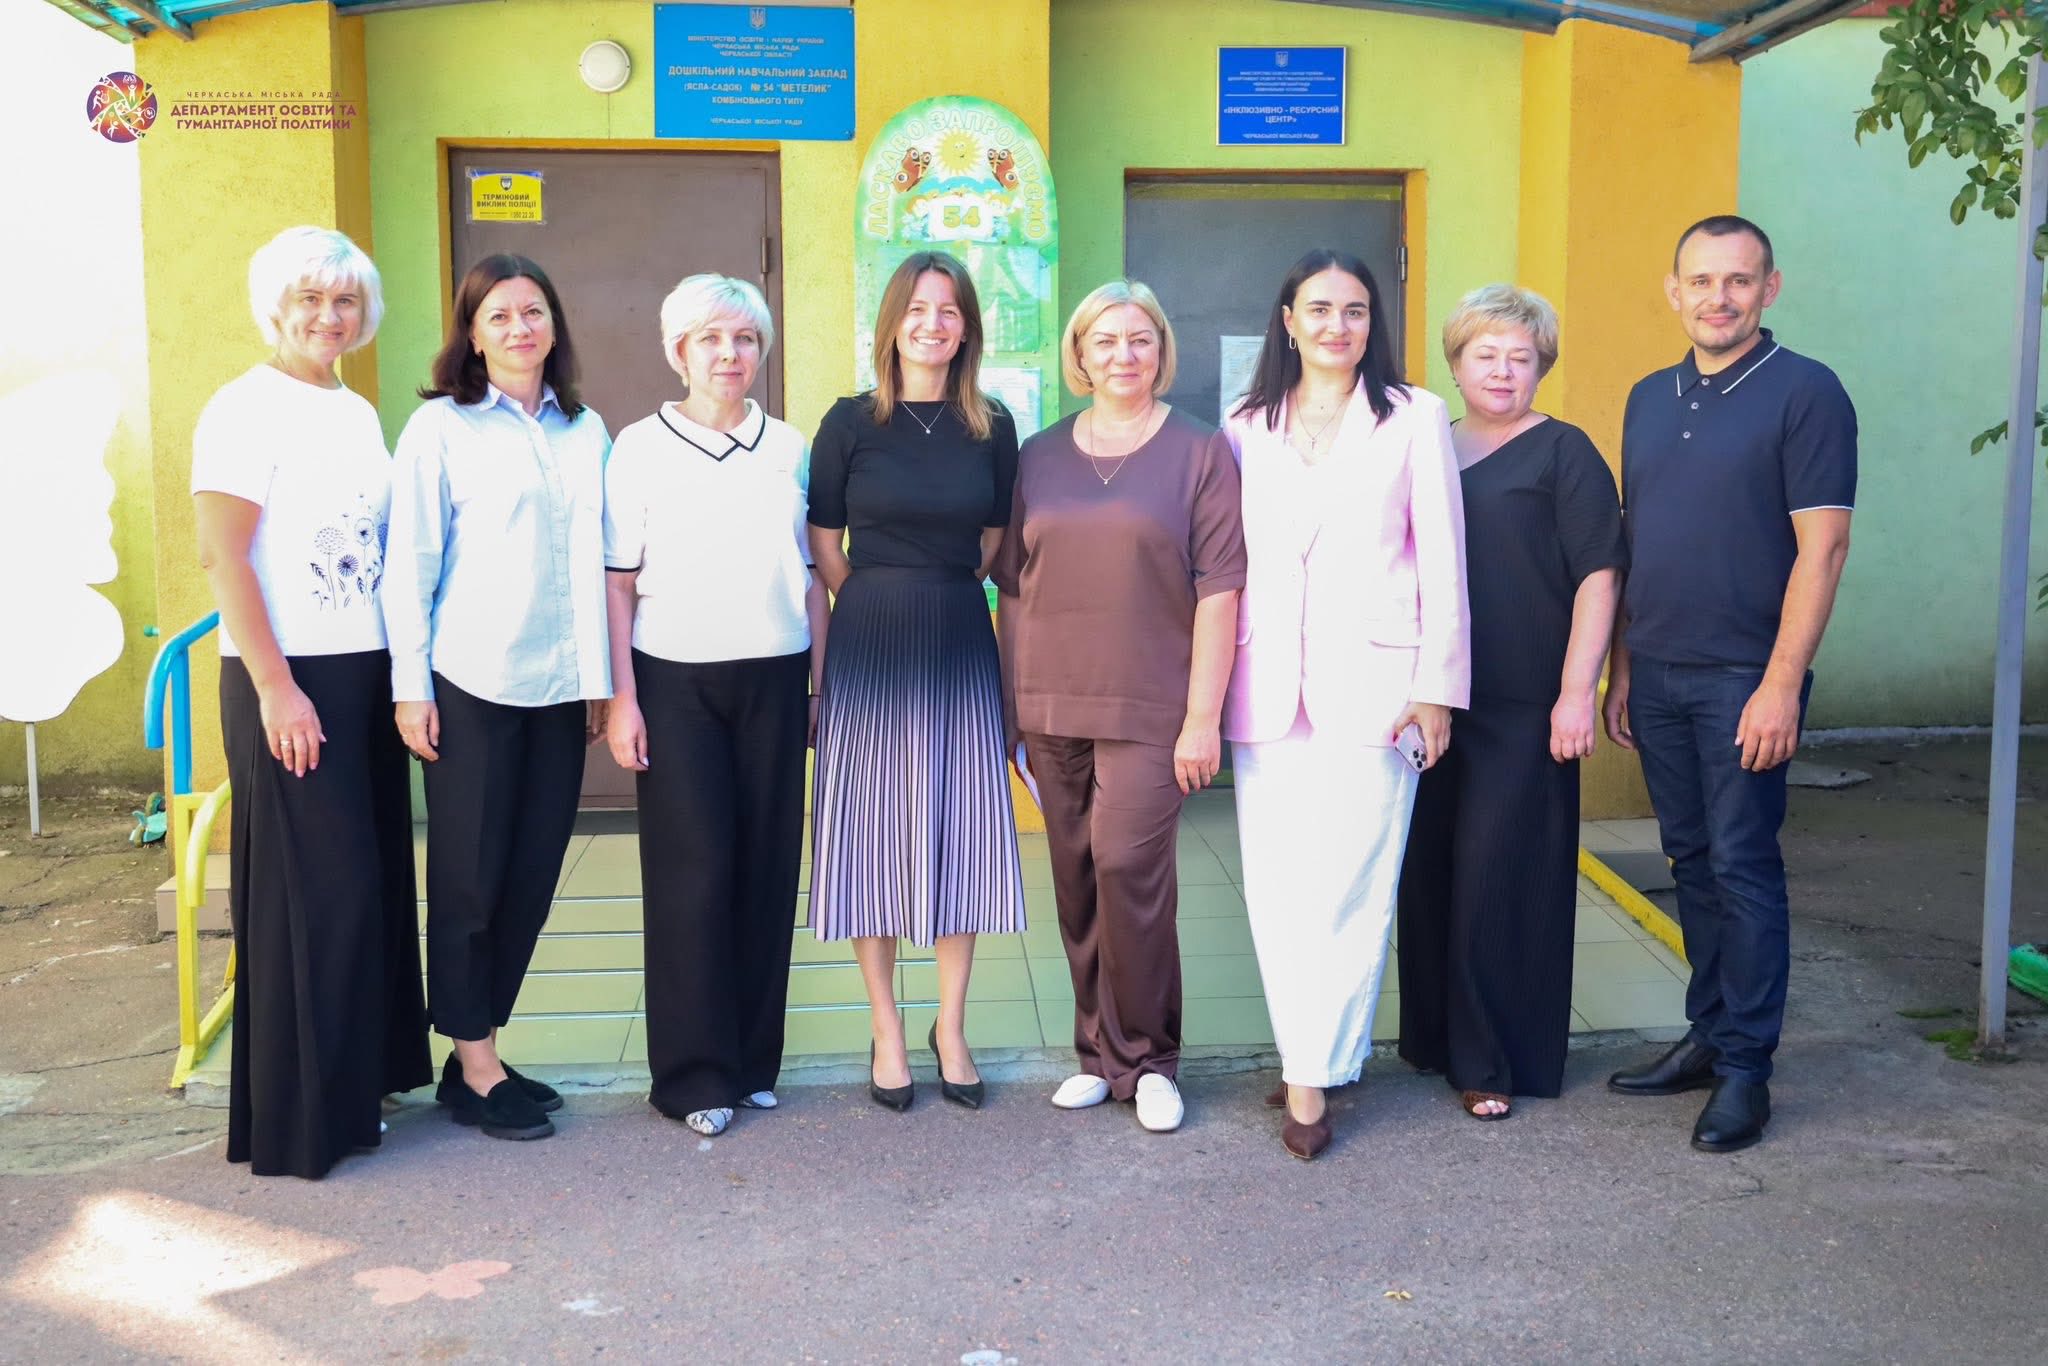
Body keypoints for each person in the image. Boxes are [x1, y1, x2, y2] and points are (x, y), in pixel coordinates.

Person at [1603, 215, 1856, 1153]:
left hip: (1746, 677)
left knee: (1744, 867)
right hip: (1659, 672)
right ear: (1674, 291)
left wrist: (1782, 684)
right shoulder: (1648, 396)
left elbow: (1823, 549)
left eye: (1739, 280)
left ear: (1769, 289)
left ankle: (1748, 1068)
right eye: (1702, 281)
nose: (1720, 298)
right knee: (1691, 863)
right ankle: (1709, 1035)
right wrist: (1624, 667)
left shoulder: (1807, 392)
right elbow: (1636, 542)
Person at [191, 225, 430, 1179]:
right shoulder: (243, 408)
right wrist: (277, 688)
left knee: (370, 888)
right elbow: (223, 557)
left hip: (362, 671)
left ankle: (362, 1087)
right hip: (289, 679)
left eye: (345, 301)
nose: (330, 316)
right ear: (276, 307)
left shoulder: (356, 410)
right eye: (311, 299)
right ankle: (302, 1123)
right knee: (315, 896)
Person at [1221, 250, 1467, 1159]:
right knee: (1280, 886)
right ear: (1288, 320)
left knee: (1354, 882)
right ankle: (1307, 1061)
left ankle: (1317, 1069)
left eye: (1355, 310)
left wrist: (1437, 687)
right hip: (1267, 686)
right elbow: (1226, 562)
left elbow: (1443, 558)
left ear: (1374, 323)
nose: (1337, 325)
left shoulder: (1414, 417)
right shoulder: (1245, 423)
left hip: (1379, 689)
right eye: (1319, 309)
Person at [992, 280, 1245, 1135]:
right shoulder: (1039, 455)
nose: (1123, 355)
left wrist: (1203, 717)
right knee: (1075, 878)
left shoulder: (1200, 451)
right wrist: (1012, 707)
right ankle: (1098, 1057)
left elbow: (1220, 590)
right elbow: (1013, 588)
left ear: (1162, 350)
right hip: (1050, 701)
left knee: (1129, 871)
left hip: (1153, 704)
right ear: (1079, 355)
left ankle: (1150, 1060)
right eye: (1104, 340)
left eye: (1140, 339)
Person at [383, 254, 612, 1143]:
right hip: (470, 682)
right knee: (470, 879)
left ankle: (474, 1048)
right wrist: (411, 688)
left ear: (555, 324)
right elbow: (410, 566)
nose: (520, 328)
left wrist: (598, 681)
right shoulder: (439, 428)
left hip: (558, 687)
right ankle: (475, 1067)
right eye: (500, 316)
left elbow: (599, 564)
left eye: (534, 311)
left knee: (530, 876)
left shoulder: (585, 430)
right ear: (472, 335)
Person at [1395, 284, 1625, 1122]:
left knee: (1500, 880)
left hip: (1526, 704)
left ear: (1541, 368)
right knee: (1429, 875)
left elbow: (1599, 576)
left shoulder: (1565, 452)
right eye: (1484, 355)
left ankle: (1493, 1058)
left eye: (1519, 358)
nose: (1501, 371)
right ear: (1455, 365)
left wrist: (1577, 693)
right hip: (1432, 698)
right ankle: (1434, 1040)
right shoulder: (1425, 445)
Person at [805, 251, 1026, 1113]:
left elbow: (995, 539)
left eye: (949, 310)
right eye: (918, 309)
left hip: (958, 630)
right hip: (870, 635)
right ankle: (887, 1028)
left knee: (960, 826)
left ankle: (952, 1027)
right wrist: (874, 596)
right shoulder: (849, 421)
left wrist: (939, 585)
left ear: (967, 327)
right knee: (872, 833)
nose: (933, 324)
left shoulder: (992, 425)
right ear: (892, 322)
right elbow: (824, 543)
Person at [603, 274, 824, 1137]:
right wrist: (624, 700)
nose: (729, 354)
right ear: (678, 351)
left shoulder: (789, 446)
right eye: (710, 339)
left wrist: (819, 683)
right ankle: (694, 1076)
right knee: (692, 877)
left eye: (744, 339)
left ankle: (753, 1060)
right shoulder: (638, 447)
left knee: (768, 869)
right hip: (675, 681)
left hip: (776, 675)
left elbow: (811, 577)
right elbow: (618, 586)